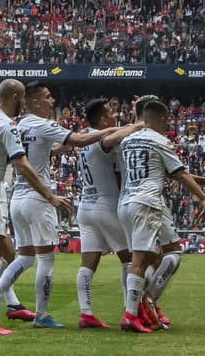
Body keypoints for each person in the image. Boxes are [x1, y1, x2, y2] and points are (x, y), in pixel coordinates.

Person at [0, 82, 114, 330]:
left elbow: (50, 150)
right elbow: (78, 140)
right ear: (35, 102)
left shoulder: (20, 125)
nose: (52, 101)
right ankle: (41, 315)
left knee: (25, 257)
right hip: (38, 198)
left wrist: (70, 144)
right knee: (46, 259)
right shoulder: (44, 124)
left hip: (18, 199)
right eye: (48, 97)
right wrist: (111, 130)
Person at [0, 79, 74, 336]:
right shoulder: (7, 124)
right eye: (22, 98)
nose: (22, 104)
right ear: (15, 97)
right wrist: (51, 197)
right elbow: (23, 165)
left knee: (4, 254)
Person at [117, 99, 205, 334]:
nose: (167, 125)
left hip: (125, 202)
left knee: (152, 255)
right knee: (141, 260)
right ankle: (131, 313)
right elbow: (179, 174)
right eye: (166, 121)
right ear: (159, 119)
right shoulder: (160, 140)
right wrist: (202, 196)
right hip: (147, 202)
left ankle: (140, 308)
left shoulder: (127, 140)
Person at [74, 97, 143, 329]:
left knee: (87, 264)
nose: (116, 116)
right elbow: (113, 138)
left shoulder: (84, 136)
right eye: (112, 113)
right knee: (130, 260)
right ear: (103, 120)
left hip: (85, 206)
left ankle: (86, 313)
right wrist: (141, 121)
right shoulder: (100, 138)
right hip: (106, 206)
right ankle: (130, 310)